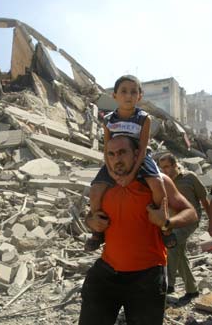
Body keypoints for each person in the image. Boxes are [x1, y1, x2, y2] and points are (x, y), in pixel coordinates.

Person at [79, 135, 197, 325]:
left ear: (136, 154)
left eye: (122, 152)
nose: (117, 159)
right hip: (108, 272)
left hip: (147, 276)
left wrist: (167, 222)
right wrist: (91, 222)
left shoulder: (158, 181)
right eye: (111, 154)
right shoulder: (103, 185)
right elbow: (91, 217)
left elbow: (191, 213)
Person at [86, 75, 168, 251]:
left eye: (133, 92)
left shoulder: (144, 118)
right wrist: (111, 170)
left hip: (139, 158)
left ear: (140, 96)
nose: (128, 95)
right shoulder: (108, 119)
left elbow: (143, 147)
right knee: (95, 190)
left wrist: (131, 174)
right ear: (114, 95)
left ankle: (164, 228)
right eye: (123, 91)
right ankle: (97, 231)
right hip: (115, 159)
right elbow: (106, 147)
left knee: (158, 184)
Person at [158, 153, 211, 303]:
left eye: (167, 166)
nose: (165, 170)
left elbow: (204, 200)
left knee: (172, 243)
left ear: (175, 165)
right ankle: (192, 290)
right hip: (174, 221)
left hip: (191, 220)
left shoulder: (190, 177)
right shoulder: (163, 181)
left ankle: (169, 284)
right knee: (180, 253)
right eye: (162, 168)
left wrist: (211, 223)